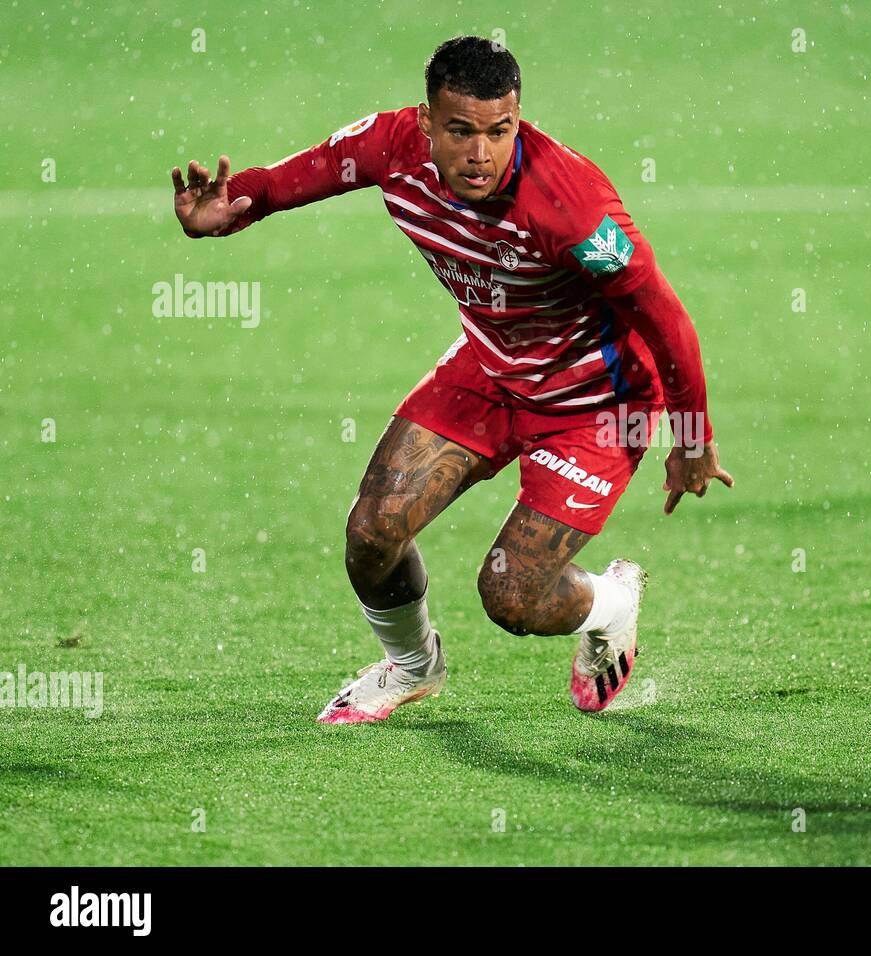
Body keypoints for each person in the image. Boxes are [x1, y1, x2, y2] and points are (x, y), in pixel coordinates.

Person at [170, 36, 732, 720]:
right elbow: (291, 180)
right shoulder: (389, 145)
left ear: (517, 121)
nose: (481, 153)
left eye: (500, 132)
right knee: (372, 533)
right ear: (427, 121)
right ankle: (411, 667)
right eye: (461, 130)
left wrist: (692, 440)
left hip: (595, 405)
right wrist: (231, 211)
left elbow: (667, 320)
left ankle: (611, 605)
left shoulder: (570, 206)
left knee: (511, 598)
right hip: (491, 368)